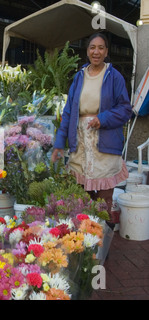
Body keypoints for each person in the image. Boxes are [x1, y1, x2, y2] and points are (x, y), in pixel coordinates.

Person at [51, 33, 132, 229]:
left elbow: (125, 109)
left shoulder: (114, 77)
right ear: (87, 51)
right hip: (81, 144)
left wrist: (102, 119)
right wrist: (59, 143)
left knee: (103, 200)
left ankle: (102, 243)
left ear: (106, 52)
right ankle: (83, 244)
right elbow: (68, 112)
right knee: (80, 197)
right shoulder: (79, 78)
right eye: (92, 47)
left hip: (104, 144)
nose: (96, 51)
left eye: (101, 48)